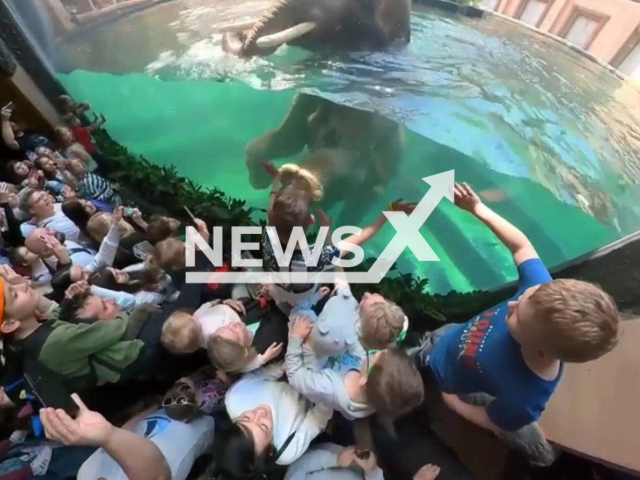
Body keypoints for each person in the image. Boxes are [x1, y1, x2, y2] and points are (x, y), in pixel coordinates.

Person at [409, 182, 620, 463]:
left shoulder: (525, 396)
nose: (512, 303)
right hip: (454, 335)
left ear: (542, 350)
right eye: (523, 298)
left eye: (517, 316)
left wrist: (453, 403)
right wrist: (478, 209)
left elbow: (495, 420)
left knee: (417, 362)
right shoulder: (539, 292)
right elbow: (521, 245)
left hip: (450, 377)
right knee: (437, 337)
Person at [262, 160, 416, 314]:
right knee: (305, 301)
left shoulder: (269, 234)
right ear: (311, 220)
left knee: (283, 294)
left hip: (279, 289)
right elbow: (361, 236)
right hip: (301, 301)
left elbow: (272, 205)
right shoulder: (316, 258)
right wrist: (387, 212)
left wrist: (276, 180)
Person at [286, 316, 424, 421]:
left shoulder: (328, 387)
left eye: (374, 354)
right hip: (329, 357)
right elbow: (358, 353)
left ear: (363, 379)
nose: (370, 352)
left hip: (306, 364)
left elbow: (294, 373)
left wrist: (295, 339)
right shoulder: (375, 394)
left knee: (302, 315)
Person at [215, 373, 333, 475]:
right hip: (317, 391)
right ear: (270, 449)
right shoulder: (287, 450)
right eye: (263, 426)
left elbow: (256, 376)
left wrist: (280, 367)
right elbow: (317, 419)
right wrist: (328, 391)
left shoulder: (235, 398)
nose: (260, 412)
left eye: (246, 417)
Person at [40, 394, 172, 480]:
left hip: (162, 410)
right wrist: (109, 436)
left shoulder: (86, 474)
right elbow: (159, 475)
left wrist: (156, 406)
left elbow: (125, 432)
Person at [160, 297, 283, 373]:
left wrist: (223, 301)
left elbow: (206, 307)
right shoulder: (221, 343)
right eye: (194, 321)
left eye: (190, 316)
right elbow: (240, 365)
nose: (195, 316)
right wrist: (262, 359)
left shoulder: (201, 322)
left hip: (239, 310)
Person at [284, 444, 387, 480]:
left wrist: (335, 460)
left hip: (327, 449)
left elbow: (300, 464)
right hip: (358, 465)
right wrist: (370, 472)